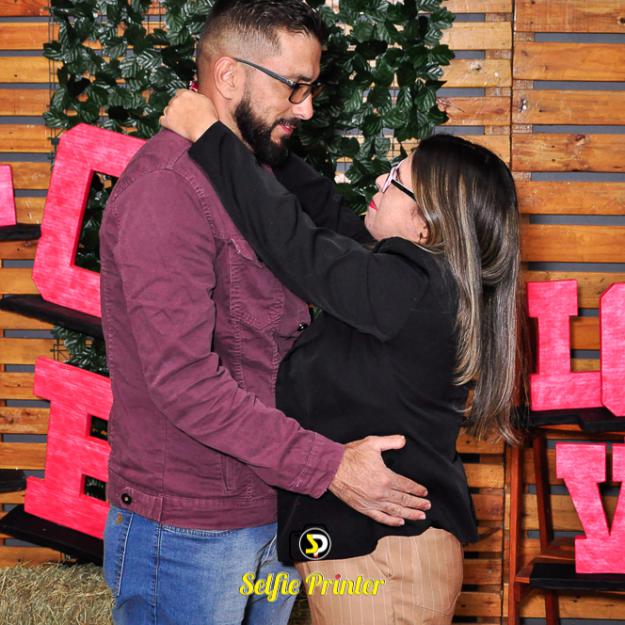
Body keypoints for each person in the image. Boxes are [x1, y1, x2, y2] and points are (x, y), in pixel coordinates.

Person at [99, 2, 431, 624]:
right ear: (229, 76)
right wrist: (330, 465)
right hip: (191, 529)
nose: (306, 109)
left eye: (312, 88)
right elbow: (185, 383)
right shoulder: (166, 191)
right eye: (294, 86)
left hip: (272, 505)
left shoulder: (255, 174)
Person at [160, 89, 523, 625]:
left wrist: (210, 135)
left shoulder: (407, 286)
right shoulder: (422, 283)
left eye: (395, 179)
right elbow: (327, 218)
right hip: (379, 558)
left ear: (426, 226)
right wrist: (258, 139)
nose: (378, 182)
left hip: (384, 564)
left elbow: (296, 245)